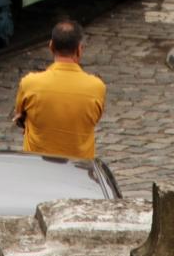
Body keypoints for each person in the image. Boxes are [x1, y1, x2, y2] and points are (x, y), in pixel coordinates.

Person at [12, 20, 107, 159]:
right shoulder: (97, 87)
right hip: (78, 169)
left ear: (51, 46)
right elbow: (93, 119)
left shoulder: (29, 84)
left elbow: (20, 115)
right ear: (79, 50)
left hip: (37, 166)